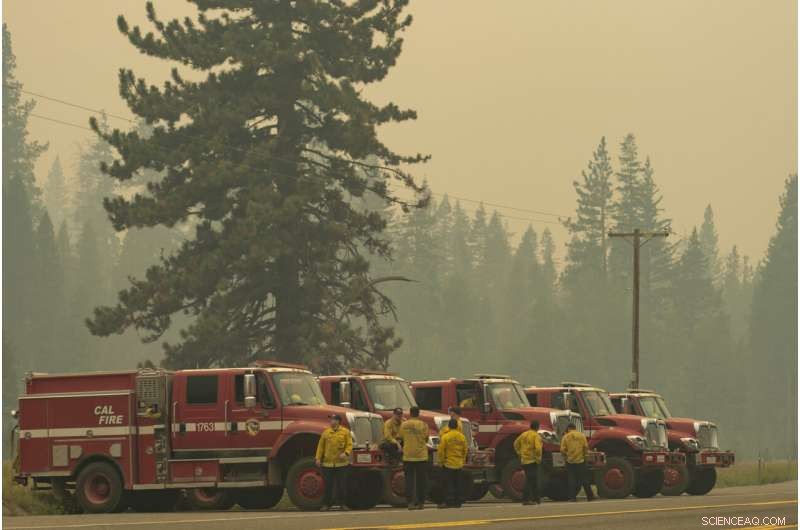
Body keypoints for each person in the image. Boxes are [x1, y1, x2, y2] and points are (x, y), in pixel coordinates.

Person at [315, 414, 352, 511]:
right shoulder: (326, 433)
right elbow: (320, 447)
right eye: (331, 420)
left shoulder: (345, 432)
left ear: (338, 421)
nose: (331, 421)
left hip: (342, 464)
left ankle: (343, 504)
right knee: (328, 485)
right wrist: (318, 458)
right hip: (328, 464)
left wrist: (346, 453)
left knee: (342, 485)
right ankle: (327, 504)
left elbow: (349, 444)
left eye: (333, 420)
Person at [399, 406, 430, 510]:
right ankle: (421, 502)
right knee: (421, 480)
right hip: (421, 456)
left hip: (408, 455)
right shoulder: (424, 425)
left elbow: (401, 437)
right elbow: (426, 439)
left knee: (409, 480)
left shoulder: (404, 425)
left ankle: (410, 503)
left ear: (410, 413)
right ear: (418, 413)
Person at [437, 418, 468, 508]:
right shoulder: (462, 437)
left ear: (449, 426)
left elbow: (441, 451)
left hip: (448, 464)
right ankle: (458, 502)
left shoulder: (445, 437)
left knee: (448, 484)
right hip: (459, 464)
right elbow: (465, 450)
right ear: (457, 426)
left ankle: (449, 502)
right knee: (458, 483)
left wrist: (441, 462)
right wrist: (462, 460)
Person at [560, 423, 595, 502]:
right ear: (575, 428)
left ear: (569, 428)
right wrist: (585, 457)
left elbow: (562, 450)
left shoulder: (566, 436)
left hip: (570, 461)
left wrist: (566, 456)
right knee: (584, 479)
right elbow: (586, 447)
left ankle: (572, 497)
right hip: (581, 460)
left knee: (571, 480)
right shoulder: (581, 435)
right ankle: (590, 496)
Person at [513, 420, 543, 505]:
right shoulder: (536, 436)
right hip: (532, 461)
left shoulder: (524, 434)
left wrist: (519, 453)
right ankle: (526, 499)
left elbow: (515, 444)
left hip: (524, 460)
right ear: (537, 427)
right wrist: (538, 459)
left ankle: (536, 499)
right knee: (531, 480)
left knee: (532, 479)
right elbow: (538, 449)